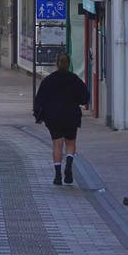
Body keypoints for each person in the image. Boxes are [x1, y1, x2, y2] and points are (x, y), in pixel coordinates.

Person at [34, 52, 89, 186]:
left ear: (56, 64)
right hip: (71, 115)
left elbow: (39, 99)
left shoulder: (48, 81)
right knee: (70, 143)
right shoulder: (74, 79)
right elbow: (84, 97)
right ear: (68, 64)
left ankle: (58, 176)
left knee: (57, 145)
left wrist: (39, 116)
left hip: (54, 117)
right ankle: (69, 165)